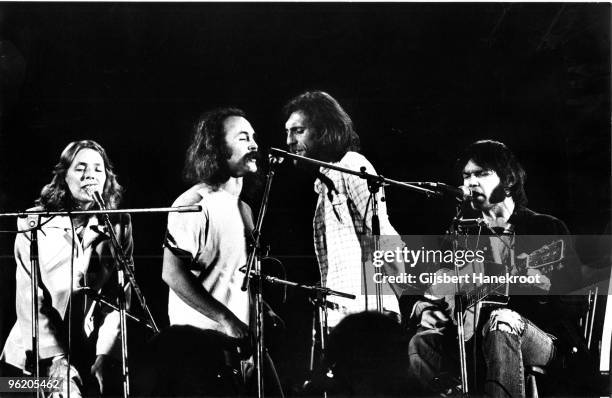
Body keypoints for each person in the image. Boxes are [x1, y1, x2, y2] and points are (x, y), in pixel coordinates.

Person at [407, 139, 584, 397]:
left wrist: (542, 287)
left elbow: (575, 302)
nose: (470, 182)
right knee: (421, 344)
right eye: (466, 175)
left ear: (509, 180)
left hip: (543, 340)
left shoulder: (545, 228)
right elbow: (438, 289)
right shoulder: (463, 234)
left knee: (501, 320)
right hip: (475, 342)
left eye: (481, 173)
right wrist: (431, 309)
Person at [1, 140, 133, 397]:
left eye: (98, 168)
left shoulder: (118, 223)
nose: (90, 175)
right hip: (29, 360)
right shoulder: (34, 223)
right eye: (80, 168)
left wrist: (105, 354)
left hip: (86, 356)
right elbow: (30, 300)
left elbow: (118, 298)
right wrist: (57, 361)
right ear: (64, 176)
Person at [159, 107, 259, 395]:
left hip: (239, 348)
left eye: (253, 137)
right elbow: (172, 272)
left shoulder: (246, 210)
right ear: (217, 147)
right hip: (200, 346)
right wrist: (225, 318)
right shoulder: (194, 202)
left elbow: (235, 275)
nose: (253, 145)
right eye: (243, 138)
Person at [283, 90, 403, 328]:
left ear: (323, 130)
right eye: (287, 132)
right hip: (342, 313)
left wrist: (392, 295)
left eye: (298, 131)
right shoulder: (324, 182)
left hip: (368, 310)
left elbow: (384, 231)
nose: (289, 141)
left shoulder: (351, 164)